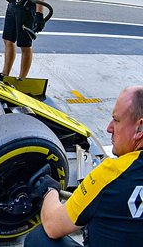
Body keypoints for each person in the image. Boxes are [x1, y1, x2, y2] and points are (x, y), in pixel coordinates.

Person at [24, 85, 143, 247]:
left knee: (38, 238)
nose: (109, 129)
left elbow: (53, 225)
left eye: (116, 120)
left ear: (139, 128)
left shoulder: (113, 173)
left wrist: (49, 190)